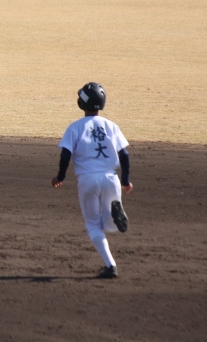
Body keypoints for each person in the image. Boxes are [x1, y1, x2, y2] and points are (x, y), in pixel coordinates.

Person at [51, 83, 133, 279]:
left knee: (93, 225)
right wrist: (126, 180)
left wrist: (60, 177)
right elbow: (124, 154)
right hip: (111, 178)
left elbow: (65, 155)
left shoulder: (75, 127)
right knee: (107, 222)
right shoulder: (111, 126)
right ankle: (112, 218)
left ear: (82, 103)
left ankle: (111, 265)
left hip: (88, 180)